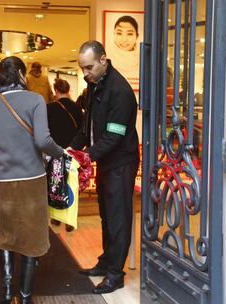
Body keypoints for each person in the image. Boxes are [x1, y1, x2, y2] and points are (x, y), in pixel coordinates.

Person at [0, 56, 65, 304]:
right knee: (33, 238)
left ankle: (6, 293)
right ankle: (25, 297)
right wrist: (60, 152)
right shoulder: (36, 99)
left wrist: (3, 144)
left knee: (6, 233)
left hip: (2, 180)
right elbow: (43, 141)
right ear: (23, 76)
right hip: (31, 179)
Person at [71, 40, 139, 294]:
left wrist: (87, 157)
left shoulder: (119, 91)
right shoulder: (94, 86)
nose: (85, 73)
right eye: (82, 69)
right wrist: (71, 149)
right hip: (106, 161)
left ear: (103, 61)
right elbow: (86, 127)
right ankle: (106, 261)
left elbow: (115, 135)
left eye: (88, 67)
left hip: (120, 162)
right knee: (107, 215)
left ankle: (115, 274)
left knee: (118, 217)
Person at [47, 78, 83, 232]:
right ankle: (70, 221)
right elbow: (83, 130)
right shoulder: (77, 108)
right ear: (68, 91)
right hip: (73, 151)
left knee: (55, 184)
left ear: (56, 91)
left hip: (55, 151)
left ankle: (56, 217)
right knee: (72, 185)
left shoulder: (49, 108)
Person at [107, 15, 140, 90]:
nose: (124, 39)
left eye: (129, 34)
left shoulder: (143, 59)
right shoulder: (106, 58)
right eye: (119, 33)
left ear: (137, 36)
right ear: (114, 34)